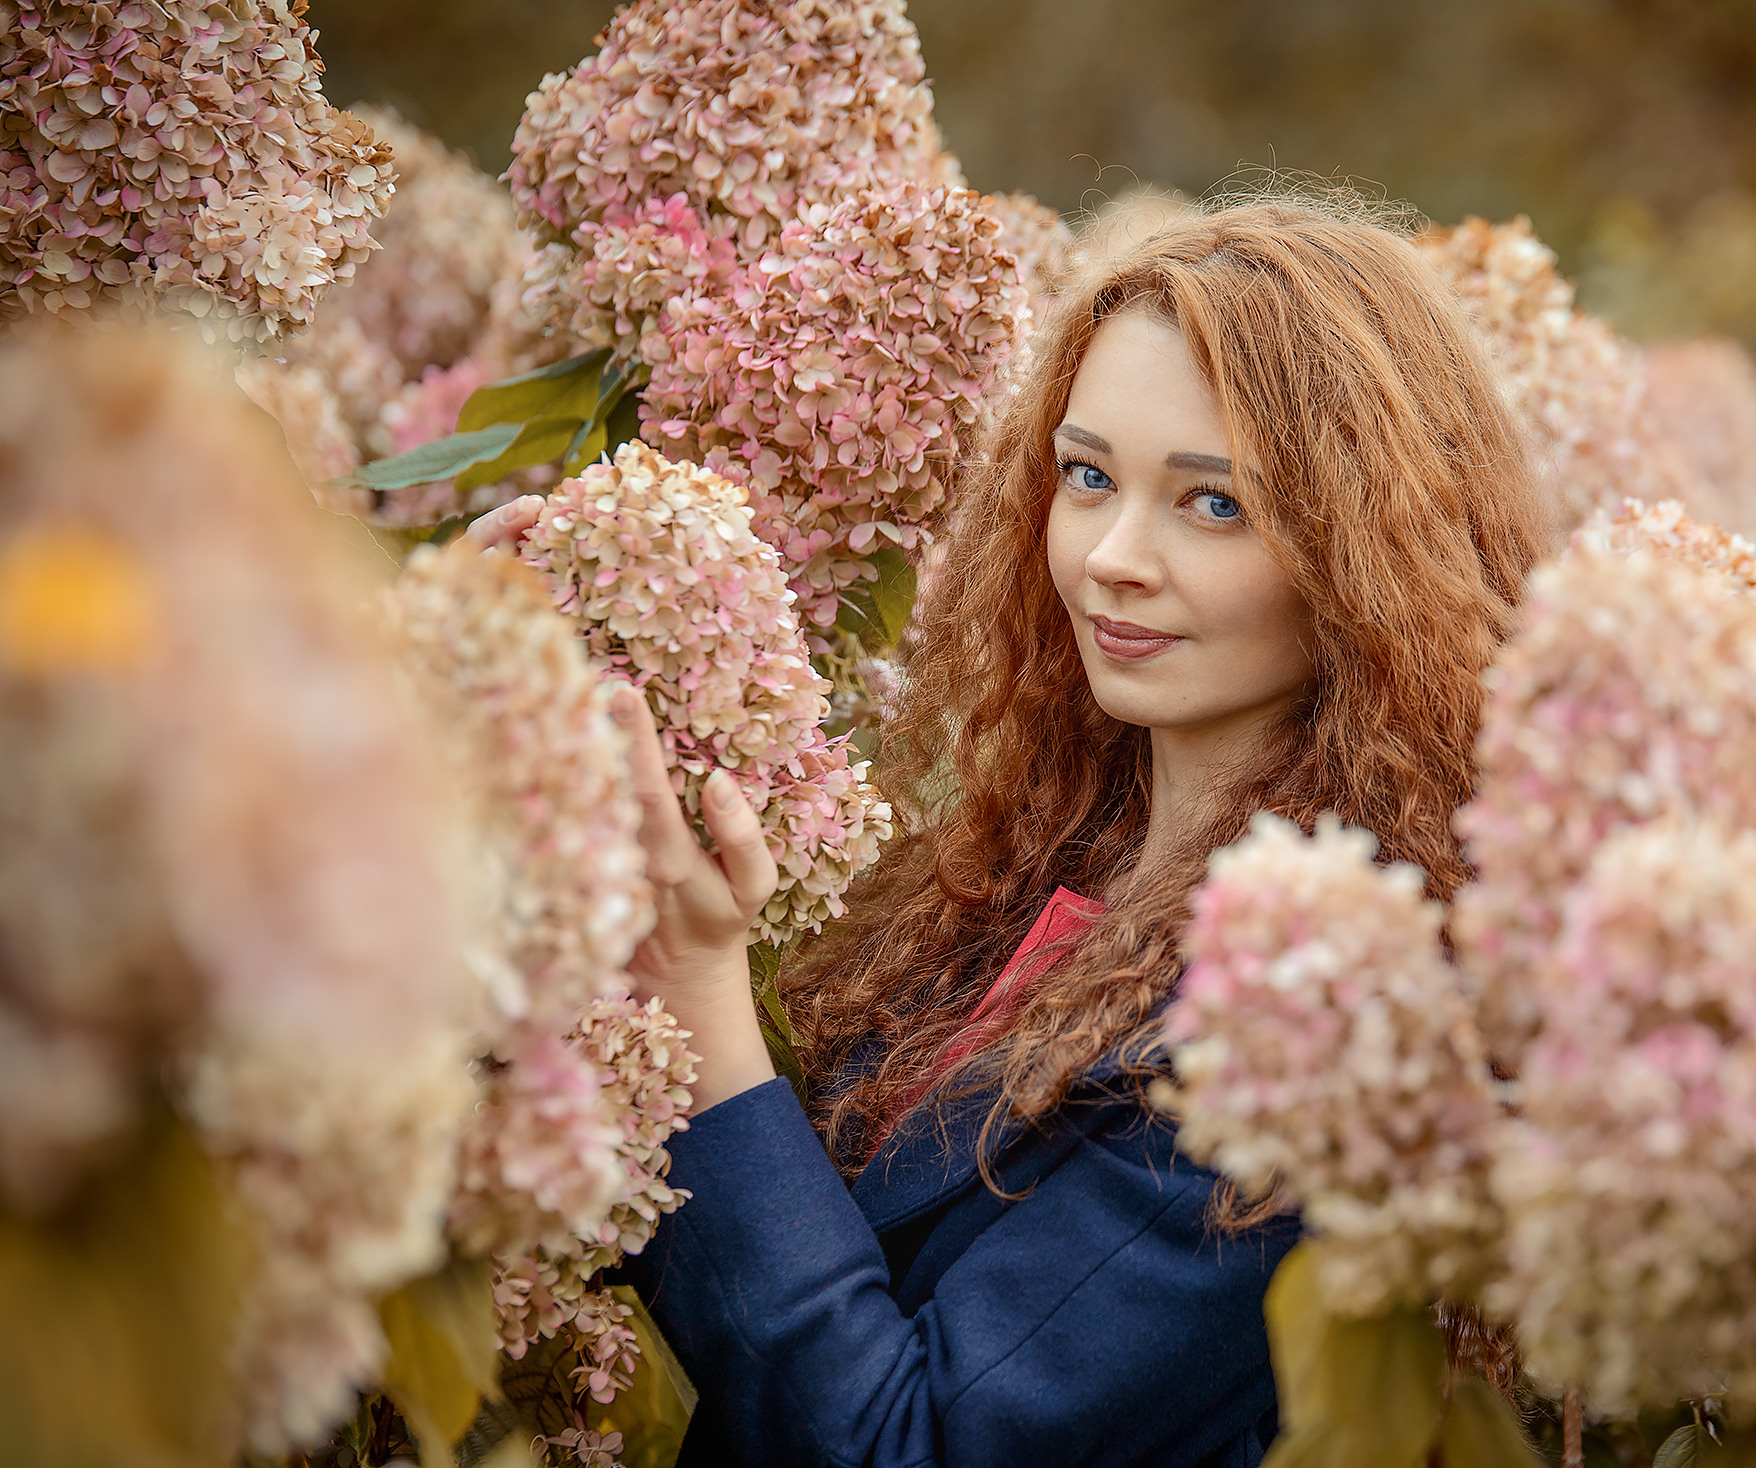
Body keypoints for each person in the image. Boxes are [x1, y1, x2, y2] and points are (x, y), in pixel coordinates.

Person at [471, 195, 1549, 1466]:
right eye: (1087, 477)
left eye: (1212, 506)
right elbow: (769, 1253)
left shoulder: (1313, 1028)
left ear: (1369, 550)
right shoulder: (1033, 870)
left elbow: (908, 1442)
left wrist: (699, 993)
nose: (1109, 557)